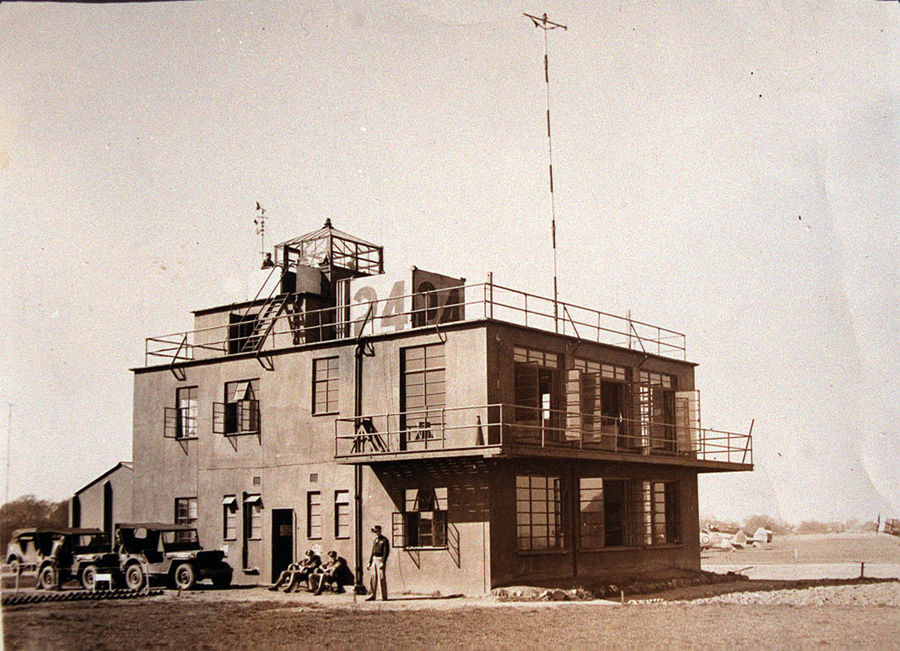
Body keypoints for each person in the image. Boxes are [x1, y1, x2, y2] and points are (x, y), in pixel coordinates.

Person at [365, 525, 389, 601]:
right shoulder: (375, 540)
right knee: (373, 578)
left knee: (381, 578)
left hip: (380, 559)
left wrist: (383, 562)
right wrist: (370, 562)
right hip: (374, 559)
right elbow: (372, 552)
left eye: (376, 531)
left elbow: (386, 552)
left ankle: (383, 596)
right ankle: (372, 595)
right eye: (374, 532)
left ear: (380, 531)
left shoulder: (384, 540)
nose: (375, 533)